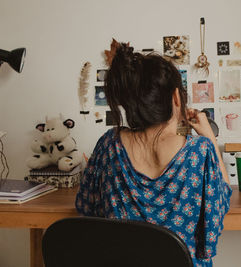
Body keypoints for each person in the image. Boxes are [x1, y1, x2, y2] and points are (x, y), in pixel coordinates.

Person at [75, 40, 232, 267]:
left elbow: (87, 208)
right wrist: (208, 135)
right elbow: (221, 201)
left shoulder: (109, 144)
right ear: (176, 97)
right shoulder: (200, 151)